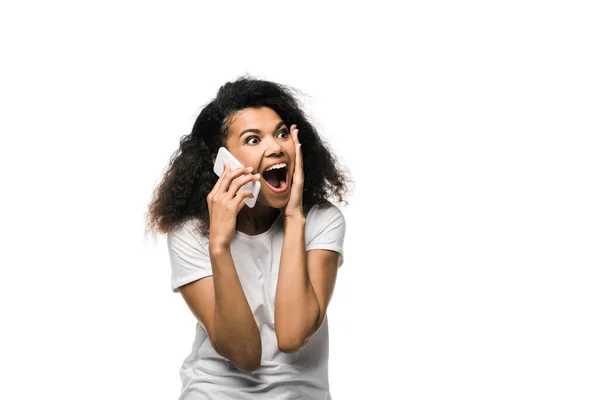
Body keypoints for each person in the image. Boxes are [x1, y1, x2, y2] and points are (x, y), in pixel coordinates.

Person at [145, 76, 351, 399]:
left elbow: (292, 335)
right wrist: (219, 245)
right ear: (222, 163)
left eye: (282, 133)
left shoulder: (322, 221)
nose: (275, 147)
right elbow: (244, 354)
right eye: (253, 140)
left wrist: (295, 216)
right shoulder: (190, 234)